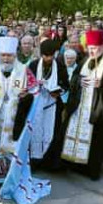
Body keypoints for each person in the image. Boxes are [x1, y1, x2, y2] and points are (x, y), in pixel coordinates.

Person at [0, 36, 50, 204]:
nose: (6, 58)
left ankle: (13, 181)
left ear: (15, 55)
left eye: (9, 55)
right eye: (3, 55)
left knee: (13, 151)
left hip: (15, 122)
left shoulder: (24, 70)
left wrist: (27, 95)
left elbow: (35, 92)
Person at [61, 30, 103, 180]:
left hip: (97, 109)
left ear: (102, 46)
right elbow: (74, 77)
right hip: (80, 107)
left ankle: (91, 170)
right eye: (90, 47)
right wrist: (79, 82)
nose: (92, 50)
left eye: (95, 47)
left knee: (95, 140)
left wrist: (102, 84)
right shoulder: (84, 60)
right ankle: (73, 165)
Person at [28, 39, 70, 170]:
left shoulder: (59, 65)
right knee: (35, 132)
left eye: (50, 56)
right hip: (36, 103)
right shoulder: (34, 65)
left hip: (52, 104)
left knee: (51, 133)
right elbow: (27, 83)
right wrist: (36, 84)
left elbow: (65, 84)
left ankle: (49, 163)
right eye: (45, 56)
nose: (48, 58)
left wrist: (58, 92)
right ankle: (34, 161)